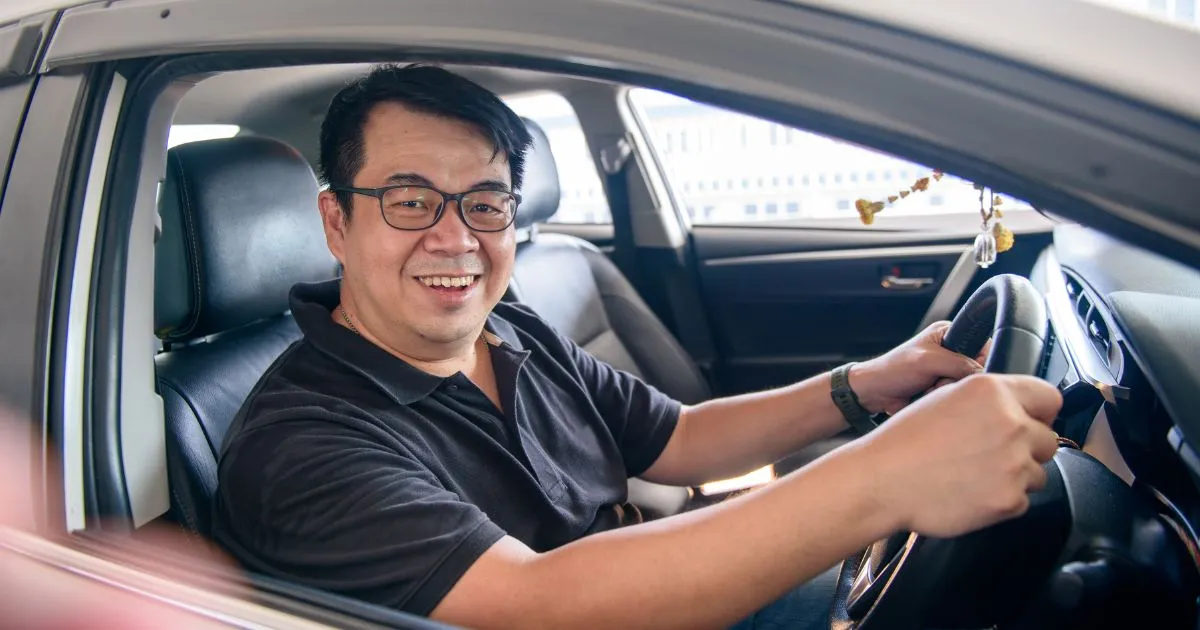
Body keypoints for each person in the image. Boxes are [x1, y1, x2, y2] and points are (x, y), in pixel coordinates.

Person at [212, 64, 1062, 630]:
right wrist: (881, 478)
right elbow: (538, 602)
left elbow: (678, 437)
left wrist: (865, 386)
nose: (456, 238)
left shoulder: (509, 328)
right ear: (337, 221)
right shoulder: (300, 445)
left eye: (486, 202)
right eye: (410, 202)